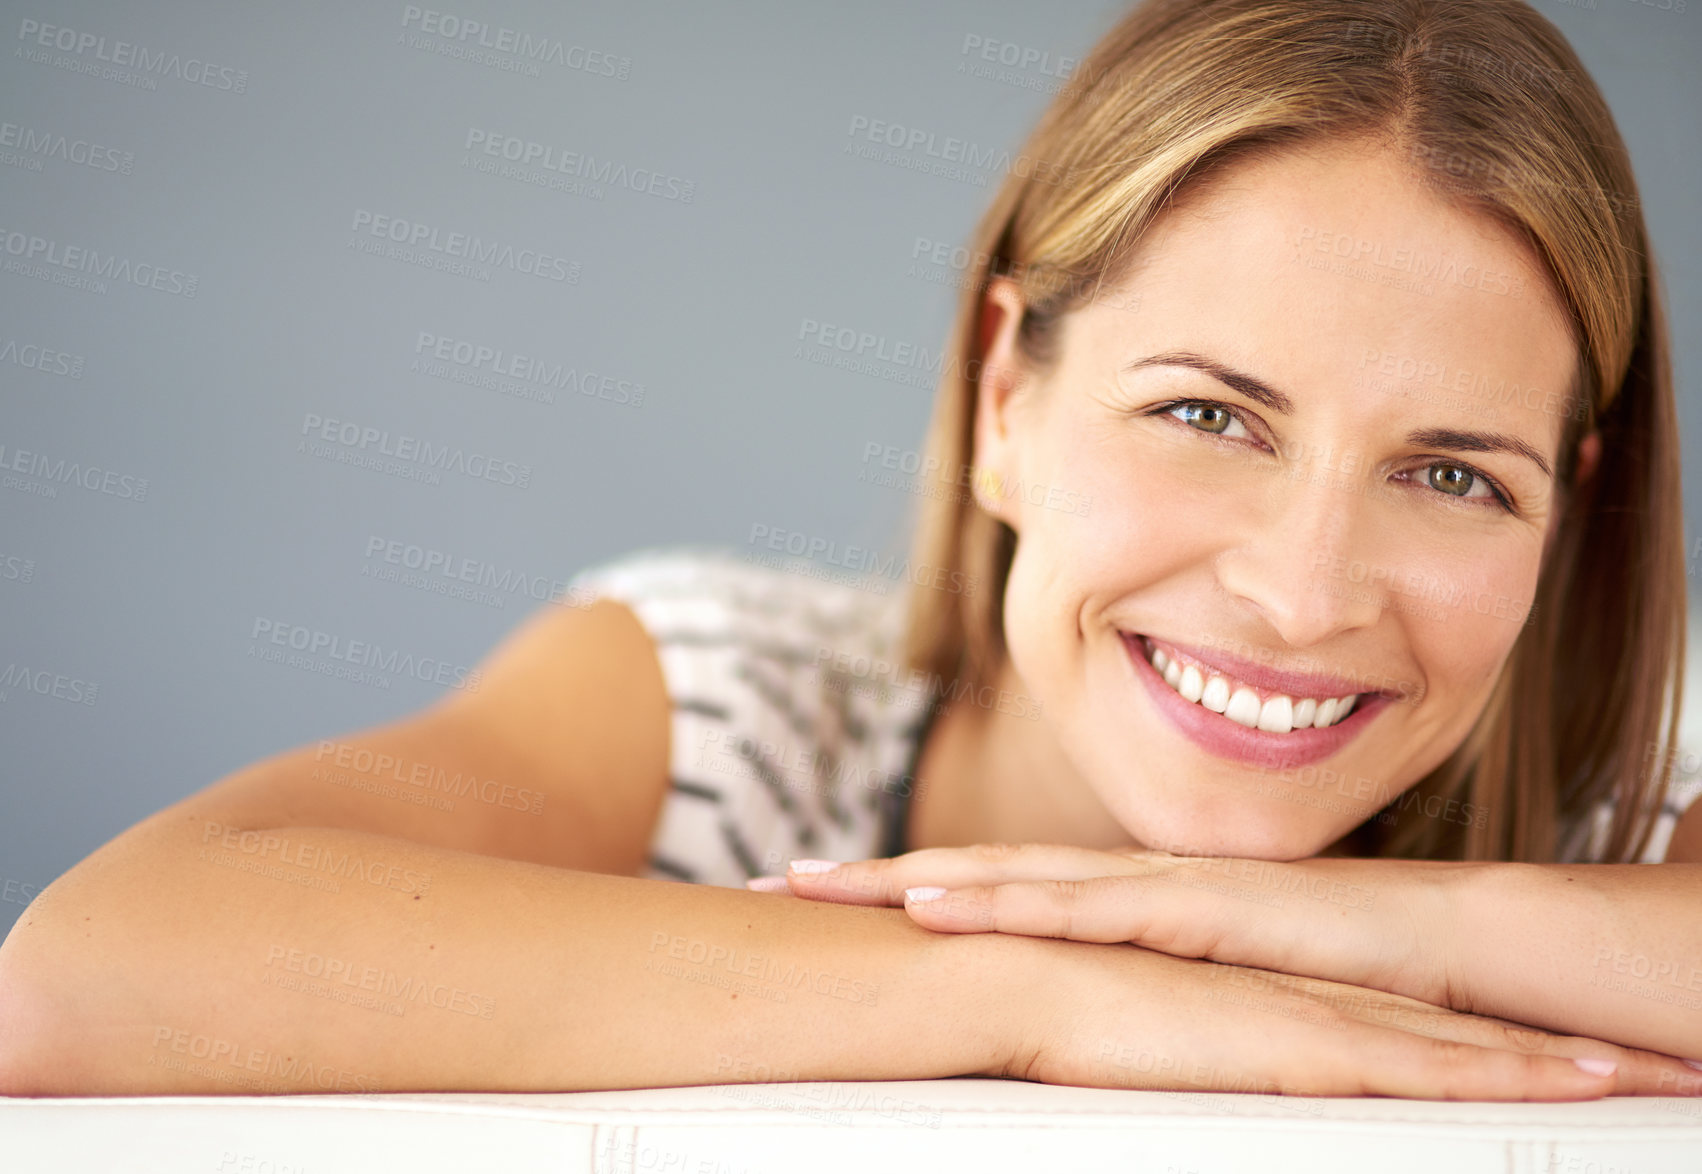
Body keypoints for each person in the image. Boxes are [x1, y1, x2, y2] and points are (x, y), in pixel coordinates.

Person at [3, 0, 1699, 1102]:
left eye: (1454, 475)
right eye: (1205, 416)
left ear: (1571, 501)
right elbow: (80, 976)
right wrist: (1038, 995)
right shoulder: (729, 697)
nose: (1303, 591)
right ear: (1002, 397)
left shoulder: (1627, 801)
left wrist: (1386, 928)